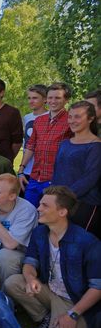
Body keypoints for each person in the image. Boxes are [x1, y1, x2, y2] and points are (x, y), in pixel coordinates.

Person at [4, 186, 101, 328]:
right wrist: (31, 277)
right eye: (40, 204)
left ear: (62, 211)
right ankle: (48, 319)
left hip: (75, 301)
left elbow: (98, 288)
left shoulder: (87, 242)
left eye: (45, 205)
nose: (38, 208)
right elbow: (29, 262)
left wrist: (73, 314)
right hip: (50, 291)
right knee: (12, 283)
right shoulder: (40, 232)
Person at [18, 83, 73, 208]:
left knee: (49, 216)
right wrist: (21, 170)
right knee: (29, 213)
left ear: (66, 100)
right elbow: (30, 146)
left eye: (57, 98)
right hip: (35, 177)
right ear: (46, 99)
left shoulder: (70, 120)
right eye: (50, 97)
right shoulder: (39, 121)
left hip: (55, 179)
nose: (53, 101)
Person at [51, 101, 101, 238]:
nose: (72, 121)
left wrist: (64, 197)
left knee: (78, 245)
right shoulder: (65, 143)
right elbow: (57, 171)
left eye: (77, 117)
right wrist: (52, 195)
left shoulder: (95, 146)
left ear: (91, 118)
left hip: (83, 206)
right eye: (70, 117)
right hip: (60, 203)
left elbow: (90, 178)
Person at [21, 85, 49, 182]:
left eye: (35, 98)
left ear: (45, 99)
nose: (31, 101)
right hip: (26, 168)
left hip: (41, 170)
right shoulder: (27, 117)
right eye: (29, 98)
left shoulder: (50, 117)